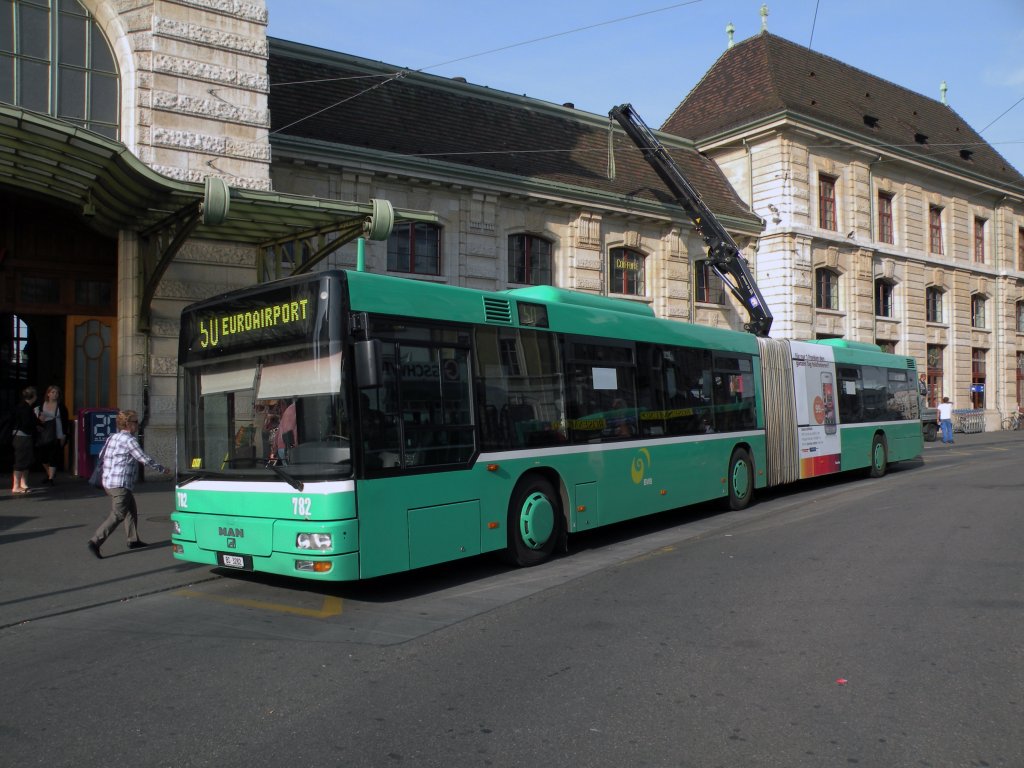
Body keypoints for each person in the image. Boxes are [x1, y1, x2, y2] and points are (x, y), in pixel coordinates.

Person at [87, 409, 172, 559]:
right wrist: (162, 469)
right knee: (119, 514)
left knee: (131, 509)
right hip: (120, 484)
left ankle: (133, 540)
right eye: (135, 422)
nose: (137, 424)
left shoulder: (112, 437)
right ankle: (95, 541)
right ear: (128, 424)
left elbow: (102, 456)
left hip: (108, 482)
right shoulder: (129, 440)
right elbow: (143, 458)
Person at [36, 384, 69, 485]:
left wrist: (64, 434)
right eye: (53, 392)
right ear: (48, 394)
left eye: (57, 393)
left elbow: (65, 421)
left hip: (57, 434)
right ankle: (49, 473)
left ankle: (51, 478)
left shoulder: (61, 407)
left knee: (54, 456)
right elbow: (37, 420)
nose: (55, 394)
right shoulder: (41, 406)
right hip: (44, 434)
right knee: (43, 457)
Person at [10, 386, 39, 494]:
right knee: (21, 460)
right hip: (23, 437)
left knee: (25, 460)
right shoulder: (27, 409)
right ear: (34, 397)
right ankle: (16, 485)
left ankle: (22, 484)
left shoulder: (20, 407)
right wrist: (36, 423)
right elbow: (27, 424)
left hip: (18, 436)